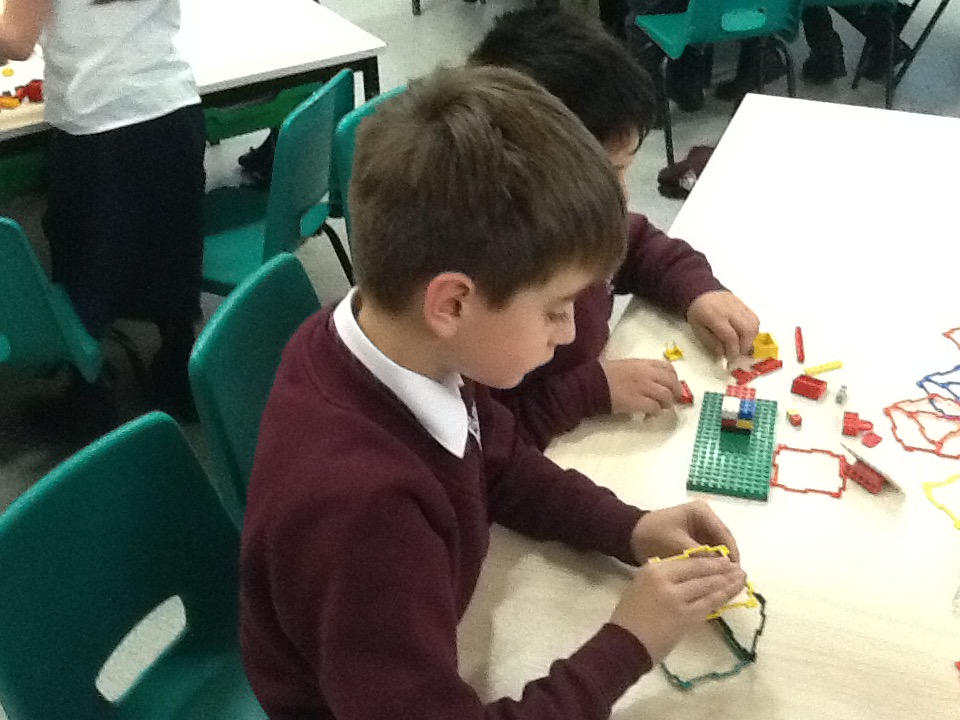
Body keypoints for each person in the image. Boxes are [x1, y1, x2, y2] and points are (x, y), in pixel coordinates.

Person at [240, 65, 746, 720]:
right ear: (452, 303)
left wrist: (631, 528)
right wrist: (629, 642)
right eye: (556, 308)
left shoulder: (401, 344)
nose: (571, 334)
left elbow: (496, 461)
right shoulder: (366, 518)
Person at [470, 8, 760, 450]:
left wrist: (698, 291)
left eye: (624, 169)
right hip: (548, 452)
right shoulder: (490, 282)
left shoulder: (577, 224)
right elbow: (482, 443)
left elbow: (639, 246)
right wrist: (591, 390)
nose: (622, 196)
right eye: (607, 174)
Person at [0, 0, 205, 419]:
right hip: (171, 108)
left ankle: (88, 388)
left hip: (98, 126)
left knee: (84, 266)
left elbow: (16, 40)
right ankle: (177, 370)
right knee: (171, 247)